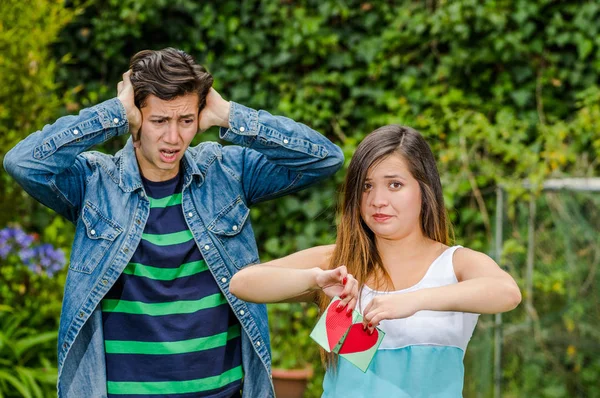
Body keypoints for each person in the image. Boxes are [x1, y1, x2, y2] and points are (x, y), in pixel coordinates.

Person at [3, 47, 345, 398]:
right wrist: (114, 113)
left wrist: (229, 115)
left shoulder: (226, 172)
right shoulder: (94, 182)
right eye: (159, 121)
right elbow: (24, 163)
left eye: (185, 120)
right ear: (136, 117)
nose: (173, 138)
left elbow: (325, 158)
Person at [230, 124, 522, 397]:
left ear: (425, 190)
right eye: (367, 186)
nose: (377, 200)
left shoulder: (454, 263)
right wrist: (315, 279)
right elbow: (243, 284)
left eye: (394, 184)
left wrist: (413, 300)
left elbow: (507, 293)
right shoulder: (339, 260)